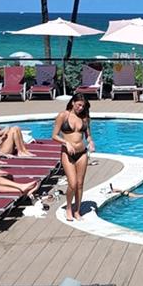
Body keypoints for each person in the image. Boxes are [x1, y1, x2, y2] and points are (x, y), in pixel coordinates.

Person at [52, 93, 93, 221]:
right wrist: (66, 142)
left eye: (83, 106)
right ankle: (69, 208)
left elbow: (88, 135)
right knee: (72, 183)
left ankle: (77, 211)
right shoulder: (63, 116)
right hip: (67, 153)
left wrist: (91, 141)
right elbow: (54, 136)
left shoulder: (85, 118)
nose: (81, 108)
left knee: (80, 184)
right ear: (72, 103)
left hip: (82, 153)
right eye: (79, 105)